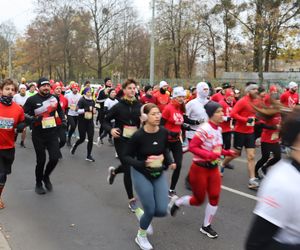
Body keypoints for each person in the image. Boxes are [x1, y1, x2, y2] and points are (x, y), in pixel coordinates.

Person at [169, 101, 236, 239]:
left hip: (213, 169)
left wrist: (227, 152)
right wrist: (209, 155)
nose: (222, 114)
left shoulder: (218, 129)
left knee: (215, 196)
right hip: (199, 169)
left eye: (222, 111)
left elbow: (215, 148)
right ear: (211, 114)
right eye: (218, 112)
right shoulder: (203, 129)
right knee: (198, 200)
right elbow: (193, 147)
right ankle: (178, 202)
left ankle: (206, 226)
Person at [245, 107, 300, 250]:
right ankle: (257, 171)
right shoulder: (283, 183)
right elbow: (255, 244)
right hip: (265, 139)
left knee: (275, 157)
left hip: (274, 140)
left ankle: (261, 169)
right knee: (263, 157)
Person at [124, 103, 176, 250]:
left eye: (158, 113)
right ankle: (141, 236)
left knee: (161, 210)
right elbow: (126, 156)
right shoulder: (138, 136)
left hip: (158, 172)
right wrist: (141, 164)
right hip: (141, 173)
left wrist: (170, 161)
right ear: (145, 117)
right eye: (153, 114)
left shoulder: (163, 132)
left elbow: (165, 149)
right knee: (151, 209)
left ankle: (141, 213)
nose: (157, 116)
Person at [103, 79, 142, 212]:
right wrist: (111, 130)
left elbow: (143, 123)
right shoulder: (118, 106)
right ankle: (131, 200)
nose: (132, 90)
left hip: (135, 141)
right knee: (128, 168)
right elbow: (105, 121)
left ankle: (114, 172)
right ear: (124, 90)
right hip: (121, 140)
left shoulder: (139, 105)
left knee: (129, 166)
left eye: (134, 88)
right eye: (129, 88)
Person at [23, 77, 67, 195]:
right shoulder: (32, 100)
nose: (46, 87)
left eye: (48, 85)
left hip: (52, 133)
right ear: (38, 87)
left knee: (54, 158)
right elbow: (24, 114)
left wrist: (63, 119)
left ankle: (46, 177)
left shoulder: (54, 98)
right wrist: (33, 119)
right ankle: (38, 183)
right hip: (38, 135)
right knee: (41, 161)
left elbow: (60, 110)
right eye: (43, 85)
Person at [221, 83, 260, 189]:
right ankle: (223, 164)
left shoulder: (257, 101)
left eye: (257, 89)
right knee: (236, 154)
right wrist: (246, 119)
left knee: (251, 156)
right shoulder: (242, 101)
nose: (256, 91)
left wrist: (257, 118)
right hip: (240, 132)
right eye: (254, 89)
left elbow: (257, 112)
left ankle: (252, 180)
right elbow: (233, 114)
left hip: (250, 132)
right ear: (248, 91)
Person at [0, 79, 26, 209]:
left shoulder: (18, 109)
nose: (10, 92)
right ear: (1, 90)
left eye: (12, 90)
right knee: (0, 174)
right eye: (7, 89)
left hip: (9, 147)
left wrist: (22, 126)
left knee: (3, 175)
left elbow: (21, 123)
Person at [161, 86, 186, 197]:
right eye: (179, 96)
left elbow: (180, 121)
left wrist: (191, 124)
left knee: (178, 165)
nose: (181, 99)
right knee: (164, 165)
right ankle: (154, 182)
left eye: (183, 97)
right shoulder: (168, 108)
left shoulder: (181, 108)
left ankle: (171, 189)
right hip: (166, 141)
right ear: (174, 97)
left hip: (176, 141)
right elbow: (160, 126)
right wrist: (170, 133)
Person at [70, 87, 96, 162]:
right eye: (88, 92)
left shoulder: (92, 101)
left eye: (90, 92)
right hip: (82, 122)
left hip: (90, 122)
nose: (89, 93)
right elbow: (77, 111)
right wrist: (86, 110)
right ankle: (75, 145)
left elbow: (93, 110)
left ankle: (88, 155)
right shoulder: (82, 100)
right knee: (82, 138)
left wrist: (94, 111)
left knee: (91, 138)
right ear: (84, 93)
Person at [52, 82, 68, 150]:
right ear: (53, 90)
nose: (59, 90)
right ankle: (55, 151)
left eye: (60, 89)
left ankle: (57, 149)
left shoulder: (64, 99)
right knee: (53, 140)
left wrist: (65, 115)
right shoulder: (49, 98)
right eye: (57, 88)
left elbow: (66, 108)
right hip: (51, 123)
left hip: (61, 123)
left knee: (63, 140)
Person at [65, 82, 81, 146]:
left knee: (73, 128)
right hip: (69, 113)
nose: (75, 89)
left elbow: (81, 104)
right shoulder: (67, 95)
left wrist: (78, 107)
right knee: (73, 125)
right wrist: (66, 109)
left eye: (76, 88)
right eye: (74, 88)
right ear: (72, 88)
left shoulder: (80, 96)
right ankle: (68, 138)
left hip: (77, 114)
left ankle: (69, 137)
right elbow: (64, 103)